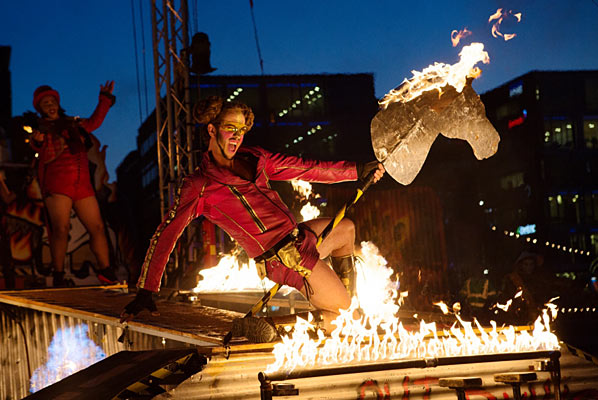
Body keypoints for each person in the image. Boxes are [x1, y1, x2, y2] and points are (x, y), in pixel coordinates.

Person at [121, 96, 385, 342]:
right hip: (283, 259)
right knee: (348, 319)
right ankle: (273, 324)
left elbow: (306, 168)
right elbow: (167, 233)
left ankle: (339, 301)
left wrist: (357, 170)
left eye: (241, 129)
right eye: (229, 128)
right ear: (212, 130)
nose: (236, 136)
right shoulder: (200, 184)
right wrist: (146, 289)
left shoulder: (255, 157)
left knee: (345, 230)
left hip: (298, 237)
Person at [30, 82, 118, 287]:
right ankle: (59, 275)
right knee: (61, 228)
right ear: (40, 108)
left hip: (82, 184)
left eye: (52, 101)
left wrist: (104, 99)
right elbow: (38, 146)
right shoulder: (42, 129)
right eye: (45, 103)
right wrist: (38, 141)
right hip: (58, 184)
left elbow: (94, 122)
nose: (50, 105)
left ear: (58, 103)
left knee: (97, 227)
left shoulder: (73, 124)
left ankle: (106, 271)